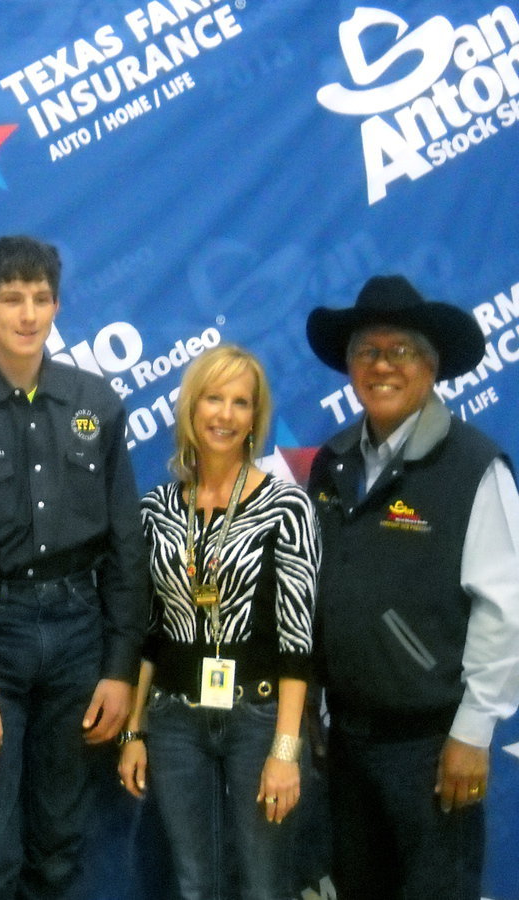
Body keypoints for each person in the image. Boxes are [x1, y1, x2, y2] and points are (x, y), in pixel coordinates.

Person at [0, 235, 149, 899]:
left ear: (57, 306)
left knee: (60, 850)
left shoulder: (95, 403)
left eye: (41, 299)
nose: (28, 314)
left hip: (80, 635)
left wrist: (119, 666)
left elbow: (126, 543)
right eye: (12, 299)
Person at [305, 274, 519, 899]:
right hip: (345, 742)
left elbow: (505, 609)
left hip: (430, 748)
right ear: (350, 368)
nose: (382, 366)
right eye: (367, 351)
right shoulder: (332, 462)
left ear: (431, 367)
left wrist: (473, 732)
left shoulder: (474, 467)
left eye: (401, 351)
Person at [117, 345, 319, 899]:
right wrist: (134, 731)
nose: (225, 415)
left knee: (263, 884)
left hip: (258, 718)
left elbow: (298, 641)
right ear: (190, 407)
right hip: (175, 722)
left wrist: (285, 751)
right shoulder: (156, 510)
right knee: (194, 885)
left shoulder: (286, 506)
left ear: (255, 417)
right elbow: (148, 632)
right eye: (213, 398)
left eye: (240, 403)